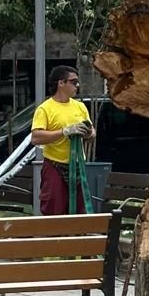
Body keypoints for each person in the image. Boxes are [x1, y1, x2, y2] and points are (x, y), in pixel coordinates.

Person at [31, 65, 93, 215]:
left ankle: (78, 237)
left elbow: (92, 131)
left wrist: (87, 133)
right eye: (73, 81)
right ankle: (55, 237)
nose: (77, 85)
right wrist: (64, 132)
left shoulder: (80, 107)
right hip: (55, 164)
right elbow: (36, 137)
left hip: (78, 165)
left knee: (80, 208)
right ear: (61, 83)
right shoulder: (45, 109)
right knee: (54, 207)